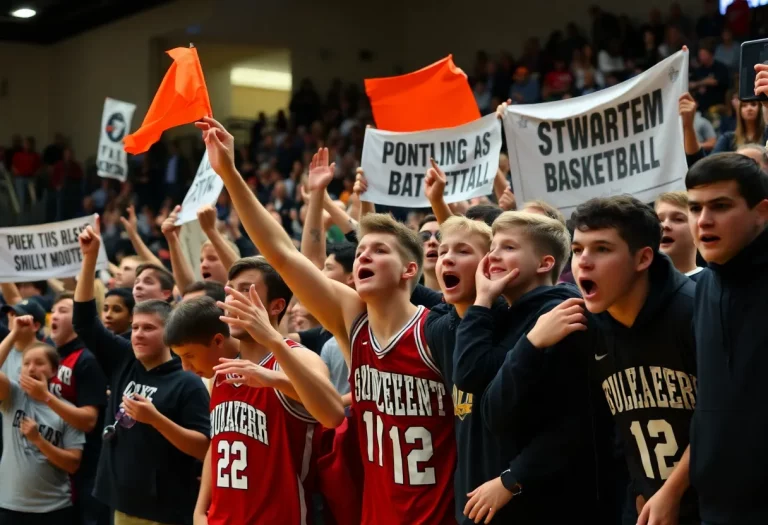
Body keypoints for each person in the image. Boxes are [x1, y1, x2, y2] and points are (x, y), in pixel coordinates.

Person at [198, 118, 456, 524]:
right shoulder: (352, 320)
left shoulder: (437, 327)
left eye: (379, 251)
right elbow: (282, 254)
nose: (363, 256)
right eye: (361, 250)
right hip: (373, 513)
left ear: (410, 270)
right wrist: (229, 173)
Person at [165, 267, 343, 524]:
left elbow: (334, 412)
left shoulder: (299, 358)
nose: (232, 298)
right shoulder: (221, 372)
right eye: (229, 289)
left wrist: (275, 378)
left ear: (276, 306)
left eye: (244, 289)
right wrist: (201, 509)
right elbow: (219, 442)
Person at [460, 212, 603, 524]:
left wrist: (513, 479)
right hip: (501, 498)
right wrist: (482, 299)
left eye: (509, 247)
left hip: (549, 501)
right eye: (493, 246)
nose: (493, 254)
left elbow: (577, 421)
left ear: (545, 264)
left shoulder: (564, 312)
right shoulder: (502, 312)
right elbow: (469, 376)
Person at [570, 195, 699, 525]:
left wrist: (672, 491)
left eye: (602, 249)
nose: (583, 261)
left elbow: (722, 416)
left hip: (715, 500)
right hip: (645, 503)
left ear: (643, 259)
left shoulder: (694, 309)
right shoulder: (589, 325)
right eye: (577, 249)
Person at [73, 221, 211, 525]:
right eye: (135, 328)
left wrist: (156, 420)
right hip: (120, 500)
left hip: (165, 510)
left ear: (169, 334)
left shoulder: (187, 382)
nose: (137, 334)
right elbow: (84, 322)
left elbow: (203, 446)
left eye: (148, 328)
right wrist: (89, 258)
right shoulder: (124, 359)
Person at [685, 152, 768, 524]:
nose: (703, 221)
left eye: (720, 206)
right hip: (715, 506)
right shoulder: (702, 287)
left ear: (762, 212)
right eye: (694, 208)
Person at [0, 342, 85, 525]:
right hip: (10, 505)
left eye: (39, 363)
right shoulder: (12, 396)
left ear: (54, 370)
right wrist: (14, 333)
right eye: (26, 363)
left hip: (54, 508)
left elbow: (73, 464)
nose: (31, 368)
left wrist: (39, 440)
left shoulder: (66, 410)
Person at [45, 292, 110, 525]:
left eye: (63, 310)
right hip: (55, 465)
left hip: (87, 468)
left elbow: (89, 420)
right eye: (53, 311)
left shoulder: (86, 359)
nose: (55, 316)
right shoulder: (48, 355)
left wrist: (45, 397)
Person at [655, 192, 705, 280]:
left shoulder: (713, 282)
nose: (664, 226)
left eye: (678, 219)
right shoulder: (641, 287)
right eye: (659, 220)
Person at [0, 300, 46, 379]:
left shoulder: (45, 354)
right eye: (11, 314)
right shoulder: (4, 348)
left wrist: (14, 333)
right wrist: (14, 333)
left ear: (36, 326)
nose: (14, 319)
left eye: (19, 316)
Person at [689, 38, 730, 114]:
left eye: (704, 54)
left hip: (718, 107)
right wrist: (703, 83)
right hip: (700, 109)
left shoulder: (720, 68)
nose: (701, 57)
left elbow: (715, 82)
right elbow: (690, 84)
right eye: (700, 55)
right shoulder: (698, 70)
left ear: (711, 54)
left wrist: (698, 84)